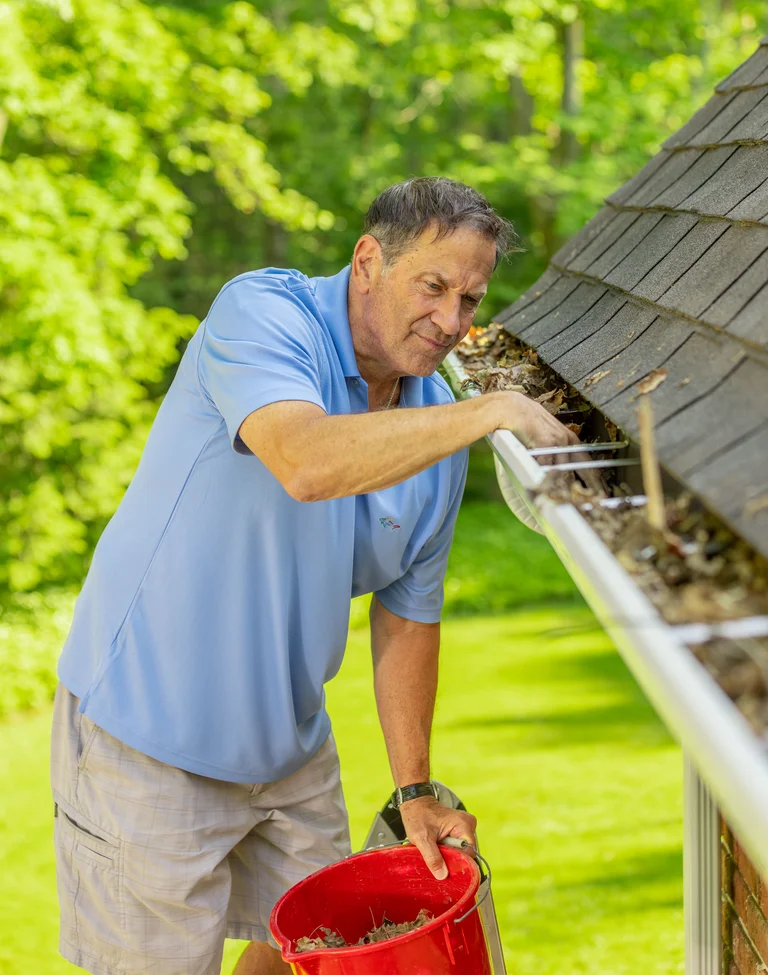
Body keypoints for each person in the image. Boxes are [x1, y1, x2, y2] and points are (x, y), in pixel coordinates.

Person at [51, 177, 577, 975]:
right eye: (431, 286)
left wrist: (413, 790)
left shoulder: (427, 429)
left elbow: (408, 618)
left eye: (470, 299)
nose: (452, 322)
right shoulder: (263, 315)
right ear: (369, 260)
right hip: (148, 734)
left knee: (316, 956)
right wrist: (487, 411)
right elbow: (305, 460)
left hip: (290, 750)